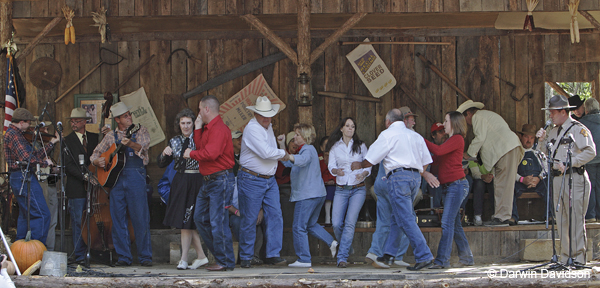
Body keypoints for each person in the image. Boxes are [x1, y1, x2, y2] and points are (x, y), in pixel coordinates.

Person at [351, 109, 435, 271]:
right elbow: (426, 161)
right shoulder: (415, 136)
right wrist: (415, 174)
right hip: (415, 178)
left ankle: (424, 256)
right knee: (398, 216)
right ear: (402, 120)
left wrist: (359, 165)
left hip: (398, 178)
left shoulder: (387, 134)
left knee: (406, 218)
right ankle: (389, 255)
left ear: (388, 122)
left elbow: (371, 160)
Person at [91, 102, 152, 266]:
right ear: (117, 119)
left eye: (129, 114)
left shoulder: (140, 130)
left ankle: (145, 257)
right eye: (125, 116)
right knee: (118, 219)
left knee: (140, 217)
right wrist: (98, 161)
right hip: (116, 181)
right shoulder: (111, 136)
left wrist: (131, 144)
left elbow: (144, 147)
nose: (129, 117)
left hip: (136, 176)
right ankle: (124, 257)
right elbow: (94, 154)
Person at [536, 95, 596, 265]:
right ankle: (565, 256)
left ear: (563, 112)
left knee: (575, 218)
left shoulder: (578, 129)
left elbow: (590, 151)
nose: (550, 116)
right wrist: (541, 141)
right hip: (557, 179)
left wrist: (571, 162)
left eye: (553, 112)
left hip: (575, 178)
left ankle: (578, 258)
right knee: (561, 218)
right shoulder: (554, 131)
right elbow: (545, 156)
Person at [183, 95, 235, 271]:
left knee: (217, 221)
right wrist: (197, 129)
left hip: (220, 179)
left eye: (199, 109)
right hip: (209, 180)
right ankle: (223, 258)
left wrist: (190, 154)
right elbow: (201, 148)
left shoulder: (219, 129)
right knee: (200, 218)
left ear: (206, 109)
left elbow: (210, 154)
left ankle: (225, 261)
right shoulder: (208, 129)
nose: (198, 113)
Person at [277, 123, 338, 268]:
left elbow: (301, 161)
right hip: (316, 194)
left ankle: (304, 259)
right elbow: (288, 164)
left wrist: (290, 156)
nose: (294, 137)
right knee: (310, 224)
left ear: (305, 136)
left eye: (297, 135)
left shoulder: (308, 150)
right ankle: (332, 242)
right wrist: (281, 144)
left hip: (307, 195)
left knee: (298, 227)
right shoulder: (303, 151)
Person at [237, 96, 288, 268]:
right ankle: (246, 256)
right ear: (255, 114)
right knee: (250, 218)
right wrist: (284, 153)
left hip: (268, 179)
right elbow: (266, 153)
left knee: (275, 216)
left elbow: (269, 151)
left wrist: (279, 150)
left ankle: (273, 254)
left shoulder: (268, 127)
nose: (266, 118)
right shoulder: (252, 128)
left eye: (269, 115)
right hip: (252, 178)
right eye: (262, 115)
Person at [458, 100, 524, 226]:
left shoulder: (478, 117)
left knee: (503, 184)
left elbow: (480, 138)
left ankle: (502, 217)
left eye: (464, 118)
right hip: (507, 149)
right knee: (502, 183)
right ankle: (503, 216)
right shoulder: (486, 116)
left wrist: (469, 154)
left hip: (505, 149)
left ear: (468, 114)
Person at [157, 108, 208, 270]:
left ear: (194, 124)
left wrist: (193, 153)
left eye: (188, 123)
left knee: (188, 221)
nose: (185, 126)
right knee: (184, 221)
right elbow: (161, 164)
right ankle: (198, 256)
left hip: (196, 180)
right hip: (180, 181)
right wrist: (164, 154)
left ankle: (185, 258)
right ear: (178, 125)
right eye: (182, 123)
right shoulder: (175, 141)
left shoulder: (200, 139)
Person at [424, 111, 474, 269]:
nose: (443, 124)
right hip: (452, 186)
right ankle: (466, 258)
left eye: (445, 121)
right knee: (454, 224)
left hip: (456, 185)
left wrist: (420, 140)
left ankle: (441, 261)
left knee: (446, 223)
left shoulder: (457, 139)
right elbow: (437, 158)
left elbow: (437, 152)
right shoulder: (451, 141)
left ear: (454, 123)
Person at [4, 108, 58, 244]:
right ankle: (36, 249)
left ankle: (20, 251)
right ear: (21, 122)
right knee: (42, 214)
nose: (30, 127)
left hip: (19, 176)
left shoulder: (17, 134)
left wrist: (52, 143)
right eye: (29, 123)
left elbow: (32, 155)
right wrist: (45, 162)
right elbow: (27, 159)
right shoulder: (15, 135)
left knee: (25, 215)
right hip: (23, 176)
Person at [326, 117, 371, 268]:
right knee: (337, 223)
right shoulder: (334, 146)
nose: (350, 129)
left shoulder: (361, 146)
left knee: (350, 223)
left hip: (358, 188)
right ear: (341, 128)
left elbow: (368, 164)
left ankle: (342, 257)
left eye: (353, 126)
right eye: (347, 126)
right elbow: (331, 165)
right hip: (341, 189)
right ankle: (348, 247)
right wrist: (335, 171)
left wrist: (363, 174)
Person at [63, 108, 99, 262]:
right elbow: (68, 165)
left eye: (77, 121)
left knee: (94, 220)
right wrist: (84, 176)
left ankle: (97, 251)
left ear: (85, 122)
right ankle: (80, 255)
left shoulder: (95, 138)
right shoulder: (67, 140)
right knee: (78, 221)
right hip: (76, 187)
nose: (74, 124)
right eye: (72, 121)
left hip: (95, 187)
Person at [512, 124, 548, 224]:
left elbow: (546, 168)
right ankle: (513, 217)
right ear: (521, 137)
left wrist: (539, 178)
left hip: (537, 183)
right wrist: (522, 179)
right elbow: (510, 171)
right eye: (526, 137)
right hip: (521, 183)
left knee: (549, 183)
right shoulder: (516, 152)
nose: (529, 140)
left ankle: (549, 216)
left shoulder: (538, 152)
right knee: (509, 185)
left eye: (531, 138)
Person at [33, 120, 59, 251]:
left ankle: (50, 250)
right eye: (45, 130)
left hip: (49, 182)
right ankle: (40, 250)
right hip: (40, 183)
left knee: (52, 220)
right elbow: (36, 158)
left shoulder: (43, 145)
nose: (47, 132)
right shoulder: (33, 144)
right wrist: (53, 142)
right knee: (44, 217)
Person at [579, 98, 600, 223]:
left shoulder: (582, 124)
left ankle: (591, 215)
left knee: (590, 186)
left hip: (590, 159)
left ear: (586, 110)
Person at [426, 122, 447, 208]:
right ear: (433, 135)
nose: (444, 134)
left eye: (444, 131)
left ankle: (460, 212)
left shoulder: (449, 146)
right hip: (433, 180)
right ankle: (437, 213)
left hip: (448, 178)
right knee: (436, 182)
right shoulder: (426, 148)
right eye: (440, 132)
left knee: (466, 180)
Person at [468, 160, 494, 226]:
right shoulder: (474, 157)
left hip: (491, 179)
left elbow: (496, 169)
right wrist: (483, 177)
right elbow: (475, 173)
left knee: (494, 184)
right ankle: (477, 216)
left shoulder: (493, 155)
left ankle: (496, 215)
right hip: (478, 179)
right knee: (479, 184)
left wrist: (490, 176)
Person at [318, 136, 335, 226]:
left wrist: (332, 180)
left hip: (333, 183)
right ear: (321, 148)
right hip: (321, 183)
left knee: (331, 189)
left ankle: (331, 217)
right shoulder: (319, 158)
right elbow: (318, 171)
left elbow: (336, 171)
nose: (328, 147)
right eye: (325, 145)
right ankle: (327, 217)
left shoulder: (335, 157)